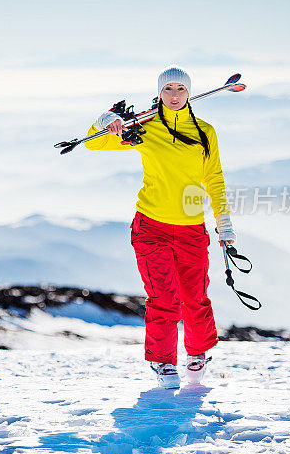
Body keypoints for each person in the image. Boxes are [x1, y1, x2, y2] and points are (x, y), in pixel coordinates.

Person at [85, 65, 235, 389]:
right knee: (164, 296)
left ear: (189, 93)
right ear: (159, 93)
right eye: (168, 90)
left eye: (181, 89)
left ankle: (197, 353)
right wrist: (105, 121)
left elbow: (215, 180)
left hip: (192, 227)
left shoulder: (205, 132)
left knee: (195, 297)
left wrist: (224, 224)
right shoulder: (144, 128)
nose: (175, 96)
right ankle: (163, 362)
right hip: (151, 227)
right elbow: (92, 143)